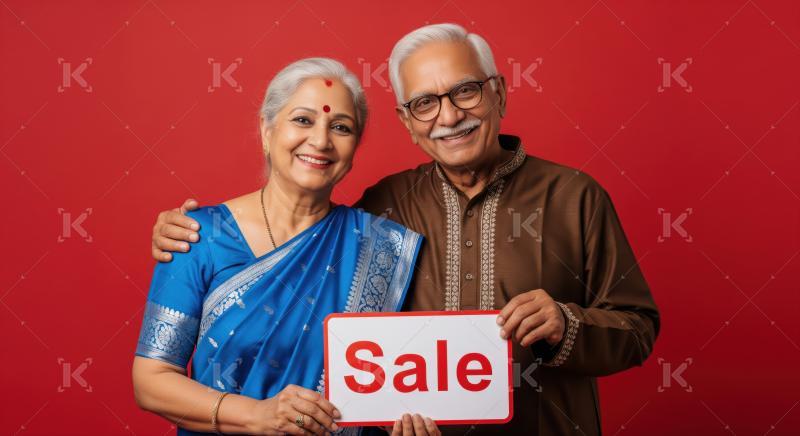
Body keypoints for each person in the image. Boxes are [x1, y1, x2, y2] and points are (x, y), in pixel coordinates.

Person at [151, 24, 660, 436]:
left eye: (466, 91)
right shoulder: (384, 208)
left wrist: (567, 324)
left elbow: (638, 328)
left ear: (499, 93)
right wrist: (189, 233)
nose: (449, 116)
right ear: (407, 122)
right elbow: (303, 254)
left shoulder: (574, 198)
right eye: (424, 103)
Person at [132, 57, 431, 436]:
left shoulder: (382, 246)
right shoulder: (199, 235)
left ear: (355, 147)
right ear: (267, 129)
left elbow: (394, 384)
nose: (321, 141)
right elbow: (152, 380)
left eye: (341, 127)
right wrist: (256, 415)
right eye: (303, 120)